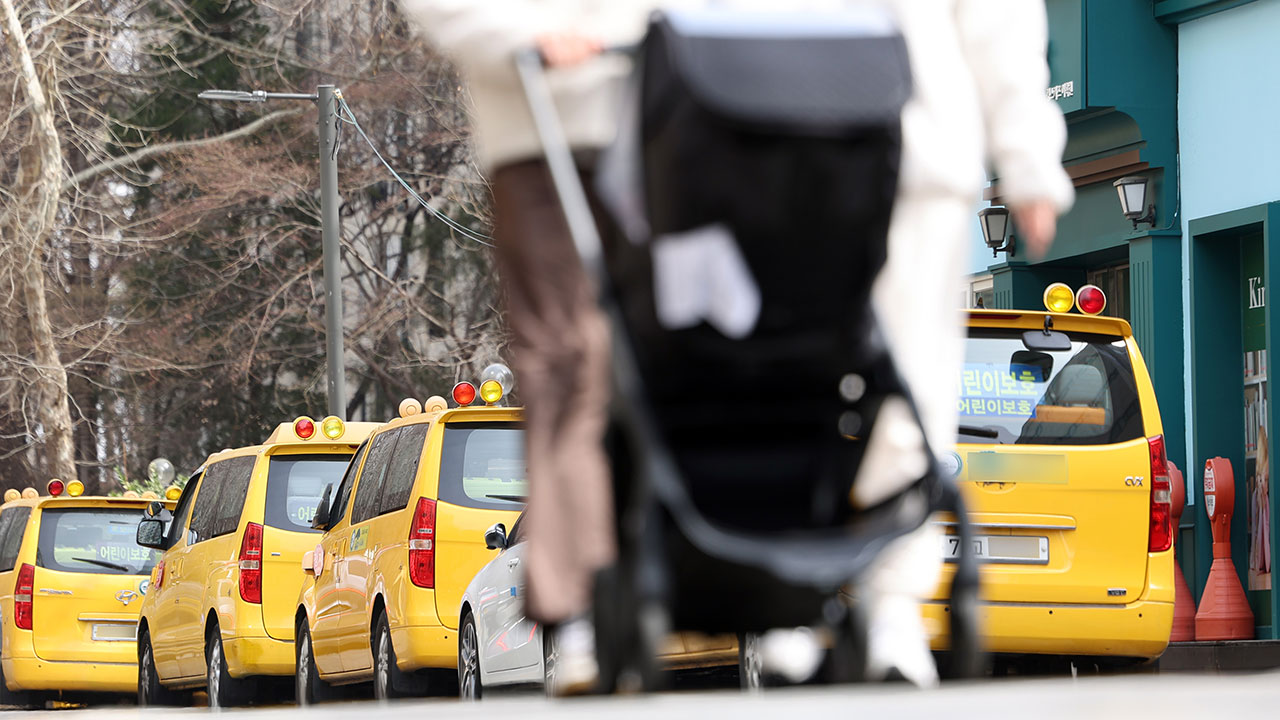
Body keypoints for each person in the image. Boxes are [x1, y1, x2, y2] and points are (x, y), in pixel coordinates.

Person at [398, 0, 1071, 691]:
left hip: (883, 141)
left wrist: (1028, 156)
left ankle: (887, 604)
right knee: (768, 371)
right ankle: (774, 600)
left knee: (901, 385)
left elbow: (1000, 18)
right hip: (761, 137)